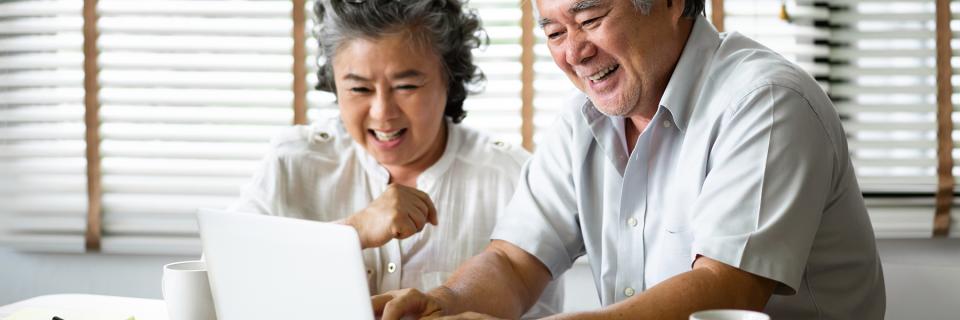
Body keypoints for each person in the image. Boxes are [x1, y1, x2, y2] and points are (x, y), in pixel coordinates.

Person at [374, 0, 885, 319]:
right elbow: (512, 262)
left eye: (590, 19)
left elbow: (726, 290)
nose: (573, 53)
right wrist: (447, 302)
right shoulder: (582, 123)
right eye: (554, 32)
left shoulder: (767, 102)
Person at [228, 0, 561, 317]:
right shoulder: (292, 161)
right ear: (334, 83)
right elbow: (222, 278)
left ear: (450, 78)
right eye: (359, 89)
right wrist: (351, 232)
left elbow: (537, 309)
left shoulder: (511, 178)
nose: (382, 113)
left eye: (406, 86)